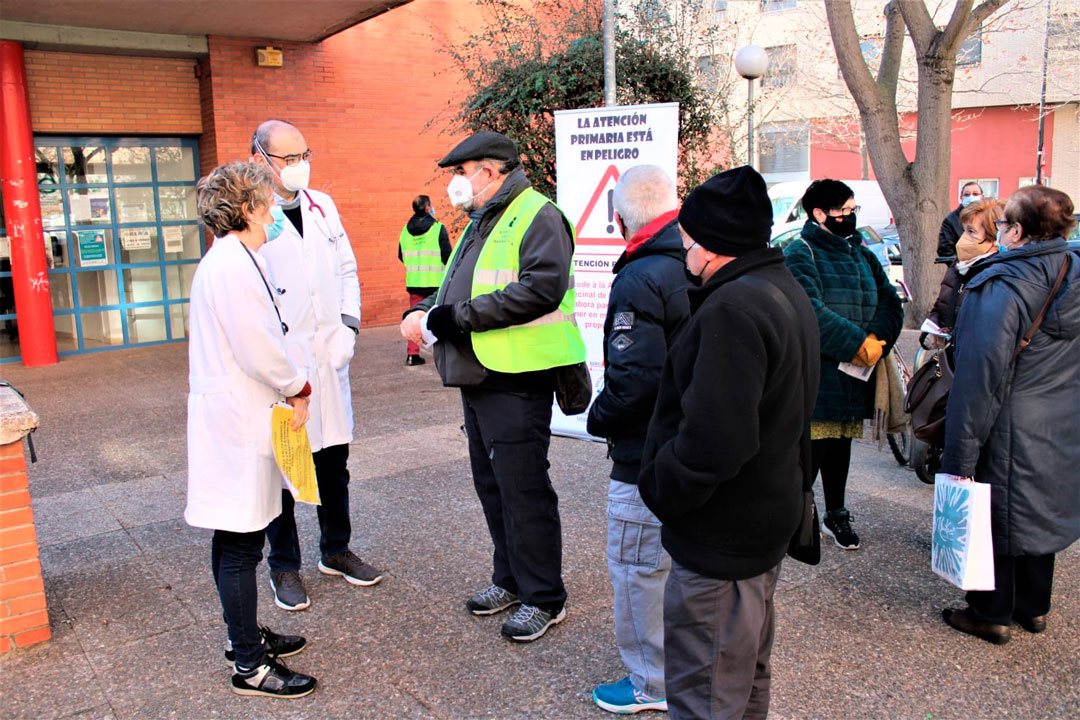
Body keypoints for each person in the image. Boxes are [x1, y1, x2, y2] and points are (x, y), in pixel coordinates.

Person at [638, 166, 820, 720]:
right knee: (741, 678)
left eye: (687, 239)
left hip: (724, 538)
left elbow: (717, 440)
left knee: (707, 692)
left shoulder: (733, 308)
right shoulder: (780, 288)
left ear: (711, 247)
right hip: (761, 521)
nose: (682, 250)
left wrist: (660, 487)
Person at [399, 131, 585, 642]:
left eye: (462, 171)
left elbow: (540, 290)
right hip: (481, 375)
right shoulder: (483, 220)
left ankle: (545, 596)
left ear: (491, 171)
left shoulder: (537, 214)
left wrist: (450, 318)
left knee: (523, 489)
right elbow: (457, 283)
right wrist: (424, 311)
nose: (456, 182)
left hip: (517, 378)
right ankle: (510, 579)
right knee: (493, 484)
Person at [186, 161, 317, 698]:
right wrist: (298, 387)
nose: (274, 206)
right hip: (239, 421)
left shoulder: (236, 259)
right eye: (265, 197)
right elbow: (259, 347)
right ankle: (250, 665)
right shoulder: (232, 267)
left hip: (238, 418)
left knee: (234, 538)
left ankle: (242, 636)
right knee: (241, 545)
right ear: (247, 208)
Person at [251, 119, 382, 612]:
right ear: (260, 157)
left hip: (329, 358)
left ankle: (336, 549)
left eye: (304, 155)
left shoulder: (322, 206)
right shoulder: (250, 215)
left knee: (333, 463)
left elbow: (347, 270)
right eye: (287, 158)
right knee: (284, 468)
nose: (298, 166)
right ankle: (283, 566)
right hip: (283, 365)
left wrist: (348, 328)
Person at [940, 185, 1079, 645]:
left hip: (1009, 416)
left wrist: (957, 459)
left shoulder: (1001, 282)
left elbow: (979, 376)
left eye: (1001, 225)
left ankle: (990, 612)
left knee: (996, 512)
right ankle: (1033, 606)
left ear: (1016, 231)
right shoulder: (1073, 271)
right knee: (1039, 506)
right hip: (1061, 414)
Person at [586, 165, 690, 715]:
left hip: (643, 454)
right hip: (690, 448)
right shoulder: (696, 262)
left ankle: (651, 681)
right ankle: (684, 666)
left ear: (622, 214)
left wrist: (596, 417)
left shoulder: (641, 276)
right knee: (677, 567)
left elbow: (635, 382)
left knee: (637, 567)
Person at [784, 179, 903, 550]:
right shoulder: (800, 252)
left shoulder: (862, 253)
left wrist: (878, 341)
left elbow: (891, 302)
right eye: (844, 211)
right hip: (820, 372)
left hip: (859, 371)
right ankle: (799, 516)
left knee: (841, 446)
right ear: (819, 214)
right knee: (812, 450)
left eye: (853, 210)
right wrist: (855, 344)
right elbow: (809, 310)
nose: (850, 217)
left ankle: (837, 512)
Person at [920, 198, 1005, 352]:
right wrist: (930, 332)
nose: (963, 238)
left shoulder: (997, 274)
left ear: (994, 239)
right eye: (964, 230)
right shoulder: (958, 266)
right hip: (953, 357)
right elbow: (941, 305)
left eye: (971, 231)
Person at [398, 194, 451, 365]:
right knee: (439, 318)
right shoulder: (438, 228)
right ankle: (442, 354)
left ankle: (412, 355)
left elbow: (401, 255)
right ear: (428, 207)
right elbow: (448, 256)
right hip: (436, 282)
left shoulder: (404, 231)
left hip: (414, 282)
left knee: (414, 319)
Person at [937, 181, 984, 259]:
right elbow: (945, 250)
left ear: (982, 197)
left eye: (975, 194)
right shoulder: (951, 220)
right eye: (967, 194)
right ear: (961, 198)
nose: (971, 197)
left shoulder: (989, 217)